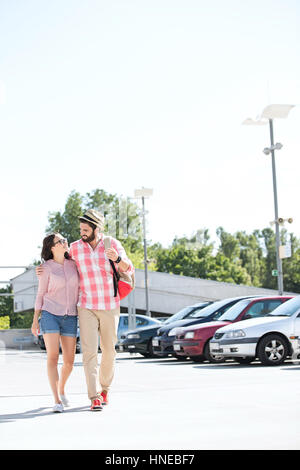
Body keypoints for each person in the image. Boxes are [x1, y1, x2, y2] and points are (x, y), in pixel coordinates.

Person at [36, 209, 134, 411]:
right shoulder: (74, 248)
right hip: (85, 306)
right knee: (89, 352)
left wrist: (116, 259)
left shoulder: (111, 244)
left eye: (86, 229)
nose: (82, 232)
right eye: (80, 229)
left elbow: (127, 268)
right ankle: (94, 396)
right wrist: (42, 267)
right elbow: (58, 260)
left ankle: (105, 387)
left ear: (96, 229)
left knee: (109, 351)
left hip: (109, 304)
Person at [32, 233, 79, 413]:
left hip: (71, 315)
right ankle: (57, 400)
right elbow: (40, 294)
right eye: (60, 241)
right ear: (52, 247)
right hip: (50, 313)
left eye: (65, 240)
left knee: (70, 361)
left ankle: (62, 387)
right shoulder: (46, 269)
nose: (65, 242)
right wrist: (35, 320)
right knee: (53, 357)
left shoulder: (74, 265)